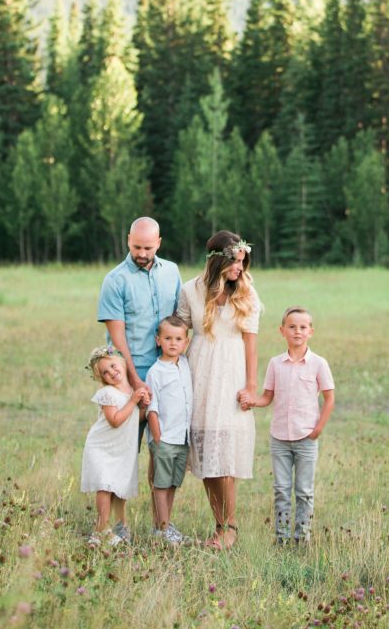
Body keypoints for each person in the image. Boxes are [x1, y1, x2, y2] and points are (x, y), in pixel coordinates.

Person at [177, 230, 261, 550]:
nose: (239, 268)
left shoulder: (246, 293)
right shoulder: (191, 290)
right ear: (217, 261)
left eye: (242, 262)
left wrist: (251, 386)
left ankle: (231, 527)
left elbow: (251, 344)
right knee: (207, 450)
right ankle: (219, 525)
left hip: (232, 373)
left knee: (225, 451)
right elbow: (179, 330)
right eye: (235, 262)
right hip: (199, 371)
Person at [241, 306, 334, 545]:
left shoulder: (318, 364)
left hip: (306, 438)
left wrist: (318, 428)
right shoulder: (275, 364)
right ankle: (281, 537)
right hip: (279, 438)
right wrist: (252, 401)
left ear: (311, 332)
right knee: (281, 489)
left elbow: (329, 397)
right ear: (282, 331)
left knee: (304, 491)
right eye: (292, 327)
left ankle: (302, 537)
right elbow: (267, 396)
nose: (297, 331)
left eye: (303, 327)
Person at [97, 217, 182, 392]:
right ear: (128, 240)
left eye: (148, 248)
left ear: (158, 243)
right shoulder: (114, 281)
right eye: (137, 247)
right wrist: (134, 380)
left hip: (168, 366)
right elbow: (117, 338)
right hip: (132, 369)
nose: (142, 254)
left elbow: (178, 320)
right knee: (132, 419)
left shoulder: (172, 271)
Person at [80, 345, 148, 546]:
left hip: (121, 448)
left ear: (123, 363)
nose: (111, 373)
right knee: (105, 485)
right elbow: (116, 420)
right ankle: (100, 528)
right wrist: (134, 400)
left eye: (112, 366)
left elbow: (135, 417)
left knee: (118, 486)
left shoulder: (131, 391)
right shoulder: (107, 393)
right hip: (102, 446)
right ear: (101, 379)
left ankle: (117, 525)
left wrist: (145, 405)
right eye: (105, 373)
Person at [145, 315, 193, 546]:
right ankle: (162, 529)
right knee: (161, 484)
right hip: (165, 437)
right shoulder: (156, 372)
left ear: (185, 342)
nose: (173, 343)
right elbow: (151, 409)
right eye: (167, 338)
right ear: (158, 340)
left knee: (173, 482)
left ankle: (164, 524)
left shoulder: (184, 364)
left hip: (182, 437)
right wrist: (157, 438)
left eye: (178, 339)